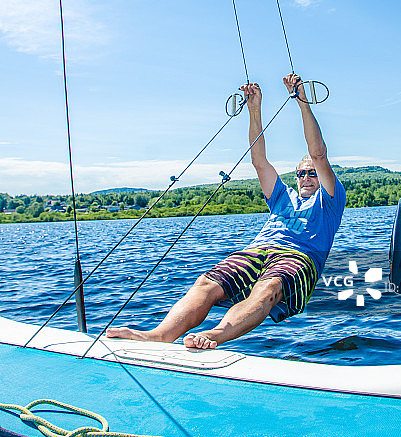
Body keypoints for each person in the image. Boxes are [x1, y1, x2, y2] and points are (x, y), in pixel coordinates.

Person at [106, 73, 346, 349]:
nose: (306, 177)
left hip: (299, 256)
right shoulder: (282, 195)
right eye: (302, 173)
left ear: (323, 176)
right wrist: (254, 109)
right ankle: (160, 334)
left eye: (312, 174)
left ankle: (215, 335)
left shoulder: (330, 199)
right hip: (258, 249)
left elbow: (318, 154)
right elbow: (259, 160)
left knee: (269, 288)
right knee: (207, 283)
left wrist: (303, 103)